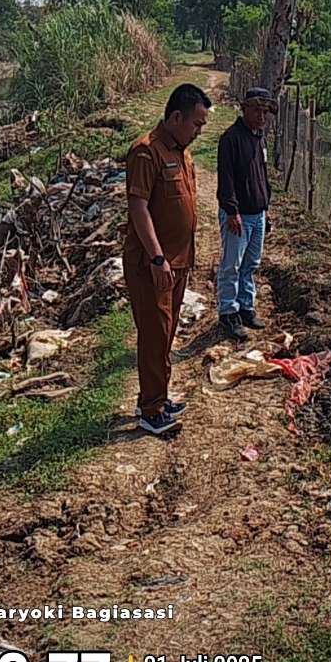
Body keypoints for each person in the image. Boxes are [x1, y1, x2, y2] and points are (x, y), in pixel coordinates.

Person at [123, 83, 211, 433]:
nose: (200, 130)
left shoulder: (182, 152)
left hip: (178, 261)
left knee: (167, 330)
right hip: (153, 264)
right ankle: (151, 410)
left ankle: (157, 395)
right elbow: (138, 206)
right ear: (176, 117)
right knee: (154, 334)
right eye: (196, 123)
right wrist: (157, 258)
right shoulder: (147, 152)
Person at [216, 87, 275, 341]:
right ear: (245, 109)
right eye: (257, 110)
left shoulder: (259, 137)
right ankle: (228, 312)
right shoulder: (231, 138)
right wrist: (231, 211)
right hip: (239, 214)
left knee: (251, 264)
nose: (262, 116)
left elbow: (262, 176)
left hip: (258, 213)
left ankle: (246, 307)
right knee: (232, 265)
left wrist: (266, 209)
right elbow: (226, 179)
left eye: (265, 111)